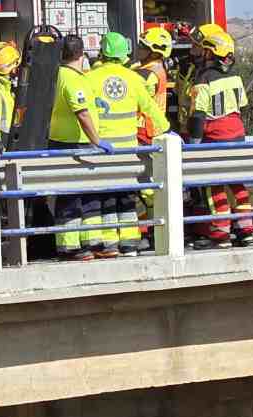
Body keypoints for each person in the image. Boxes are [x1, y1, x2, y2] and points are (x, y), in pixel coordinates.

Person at [88, 32, 170, 258]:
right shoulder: (133, 78)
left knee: (106, 197)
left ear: (102, 52)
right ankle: (130, 243)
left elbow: (82, 111)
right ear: (124, 53)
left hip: (103, 149)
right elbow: (151, 109)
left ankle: (109, 245)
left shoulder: (90, 78)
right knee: (126, 197)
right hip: (129, 149)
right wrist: (167, 131)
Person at [48, 34, 114, 261]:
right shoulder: (72, 78)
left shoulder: (60, 74)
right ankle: (71, 247)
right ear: (82, 54)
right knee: (76, 198)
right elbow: (82, 113)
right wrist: (97, 140)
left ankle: (88, 244)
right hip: (74, 144)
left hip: (62, 141)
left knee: (82, 196)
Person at [187, 26, 253, 248]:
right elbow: (242, 106)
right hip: (237, 135)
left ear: (210, 54)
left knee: (212, 185)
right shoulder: (235, 77)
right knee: (237, 183)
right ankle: (245, 230)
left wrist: (193, 145)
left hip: (214, 138)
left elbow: (198, 115)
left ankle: (220, 233)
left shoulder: (203, 79)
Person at [133, 27, 172, 145]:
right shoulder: (157, 67)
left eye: (142, 46)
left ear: (155, 52)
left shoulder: (146, 75)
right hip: (154, 127)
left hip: (142, 128)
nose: (138, 48)